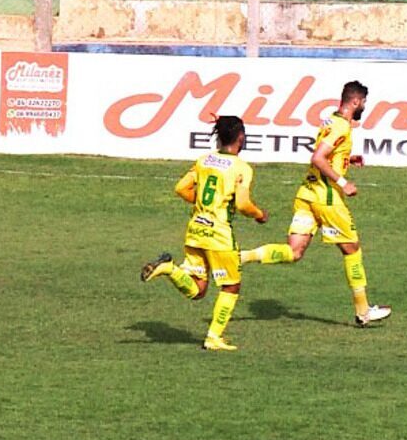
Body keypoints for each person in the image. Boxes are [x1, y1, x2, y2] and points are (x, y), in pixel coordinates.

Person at [241, 80, 391, 327]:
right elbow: (318, 157)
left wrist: (346, 159)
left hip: (307, 193)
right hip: (326, 198)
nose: (364, 106)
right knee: (352, 248)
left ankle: (241, 257)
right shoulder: (341, 126)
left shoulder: (330, 120)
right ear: (355, 101)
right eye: (363, 102)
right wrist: (344, 183)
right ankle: (363, 311)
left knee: (294, 251)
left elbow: (327, 154)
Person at [140, 115, 269, 352]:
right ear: (241, 137)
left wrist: (202, 205)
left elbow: (181, 188)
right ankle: (213, 337)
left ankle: (169, 268)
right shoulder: (241, 168)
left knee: (198, 289)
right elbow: (242, 204)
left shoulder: (204, 160)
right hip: (219, 234)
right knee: (231, 286)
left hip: (196, 229)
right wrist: (259, 214)